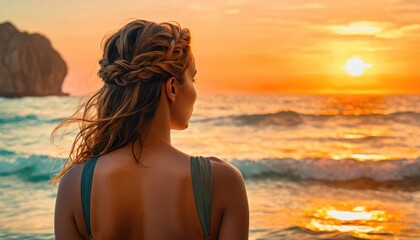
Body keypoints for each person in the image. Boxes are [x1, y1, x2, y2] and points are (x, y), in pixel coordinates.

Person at [52, 19, 249, 240]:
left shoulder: (75, 185)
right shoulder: (221, 182)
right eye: (193, 78)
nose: (195, 91)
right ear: (172, 87)